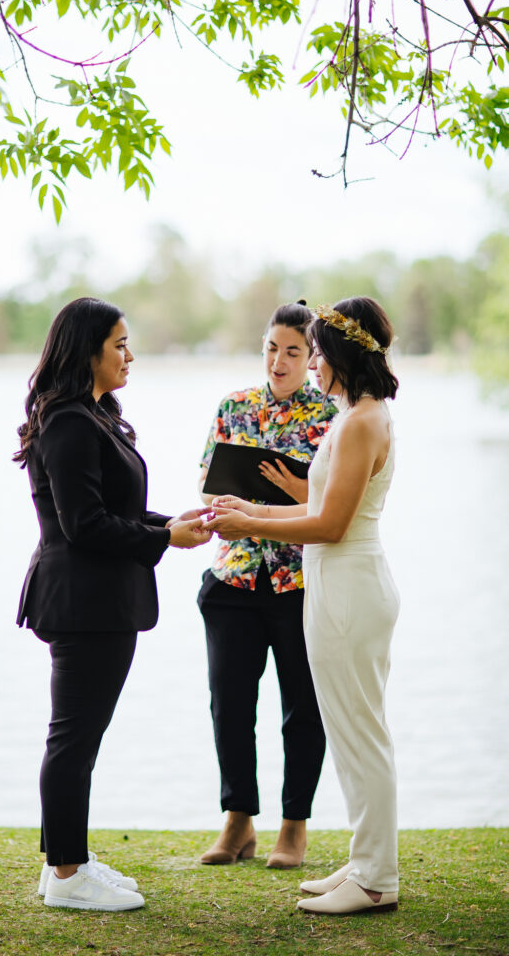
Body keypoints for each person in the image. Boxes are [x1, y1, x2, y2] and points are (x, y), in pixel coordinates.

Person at [13, 297, 211, 913]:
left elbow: (110, 512)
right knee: (73, 737)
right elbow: (84, 526)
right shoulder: (69, 421)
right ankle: (68, 873)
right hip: (82, 601)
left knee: (81, 737)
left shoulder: (92, 416)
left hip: (99, 599)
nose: (130, 354)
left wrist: (168, 523)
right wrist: (162, 539)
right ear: (87, 350)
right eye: (119, 343)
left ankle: (63, 862)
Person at [209, 296, 400, 915]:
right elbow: (318, 510)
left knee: (360, 733)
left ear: (342, 352)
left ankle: (375, 879)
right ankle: (364, 862)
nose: (312, 362)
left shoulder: (360, 421)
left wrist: (254, 525)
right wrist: (255, 512)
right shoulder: (359, 416)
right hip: (338, 582)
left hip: (345, 583)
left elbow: (333, 525)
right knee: (351, 731)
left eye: (316, 350)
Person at [197, 300, 337, 869]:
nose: (278, 362)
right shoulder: (234, 405)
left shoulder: (331, 417)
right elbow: (207, 488)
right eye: (271, 349)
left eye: (293, 352)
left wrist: (284, 498)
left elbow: (336, 503)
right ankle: (238, 822)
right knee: (230, 704)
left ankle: (294, 826)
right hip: (232, 580)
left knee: (302, 707)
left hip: (299, 581)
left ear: (311, 357)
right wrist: (239, 503)